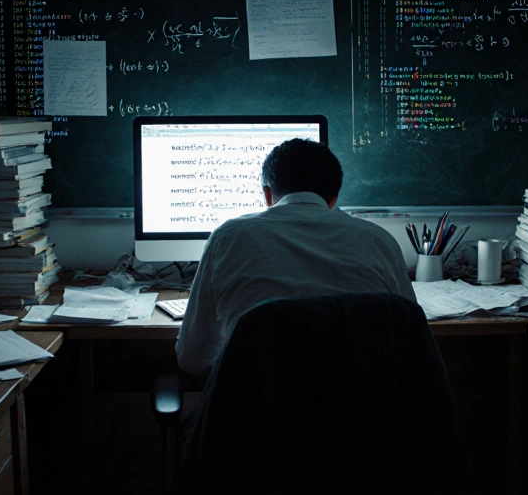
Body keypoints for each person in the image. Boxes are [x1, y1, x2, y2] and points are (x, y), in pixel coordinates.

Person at [175, 138, 414, 375]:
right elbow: (412, 343)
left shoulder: (227, 238)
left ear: (267, 195)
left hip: (258, 410)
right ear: (333, 198)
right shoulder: (380, 242)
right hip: (361, 410)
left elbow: (192, 359)